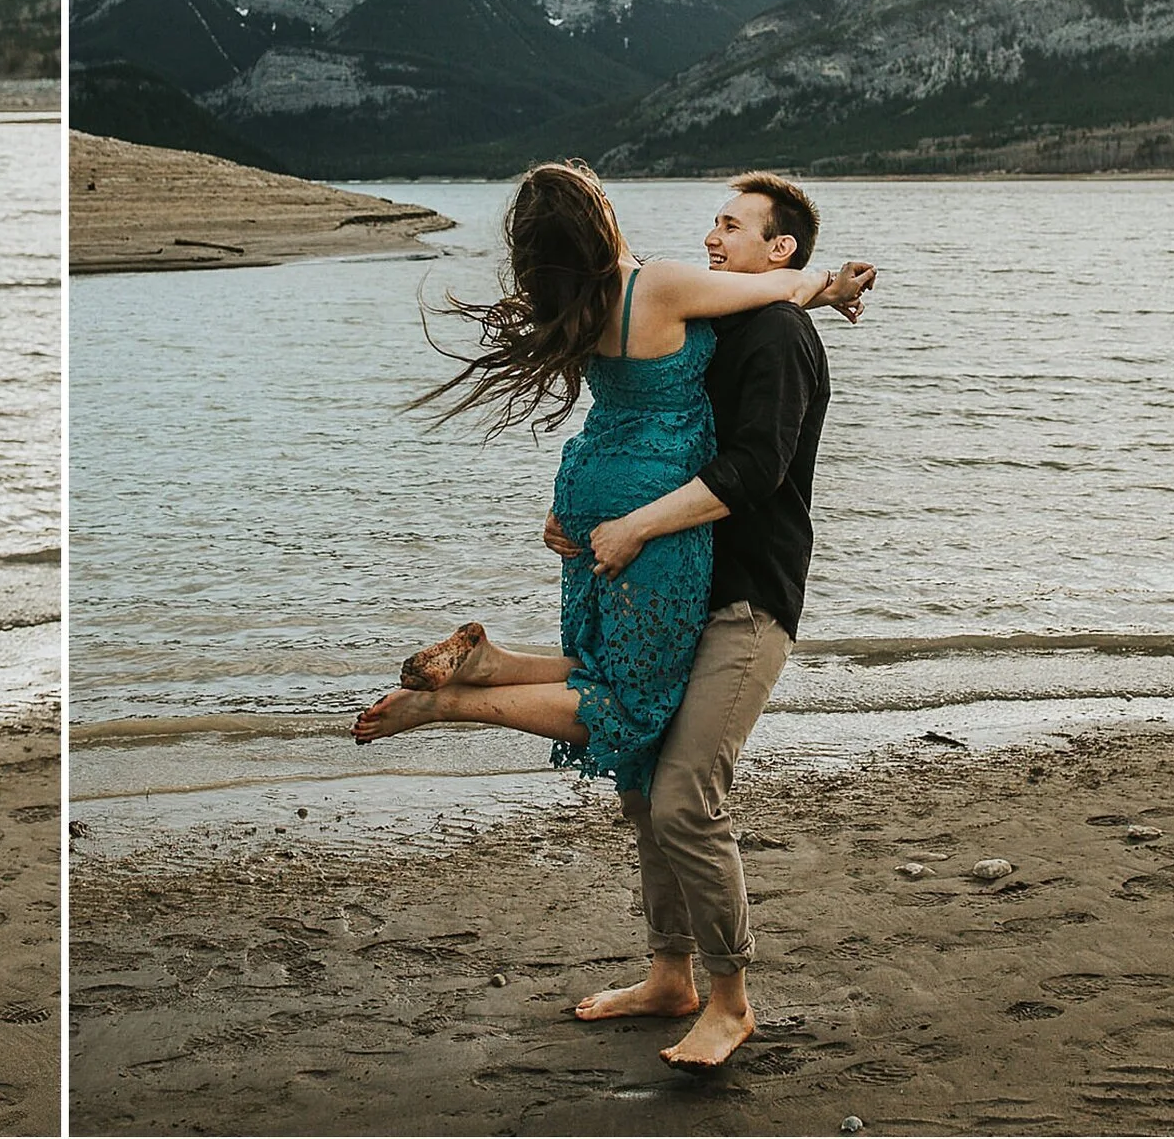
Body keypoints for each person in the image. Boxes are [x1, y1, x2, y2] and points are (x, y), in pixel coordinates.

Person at [348, 161, 870, 1068]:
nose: (711, 237)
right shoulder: (719, 308)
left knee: (682, 799)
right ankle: (670, 976)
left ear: (778, 248)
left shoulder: (780, 333)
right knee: (638, 784)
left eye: (731, 227)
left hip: (748, 599)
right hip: (679, 576)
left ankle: (730, 1000)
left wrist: (626, 523)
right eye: (712, 222)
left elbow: (754, 473)